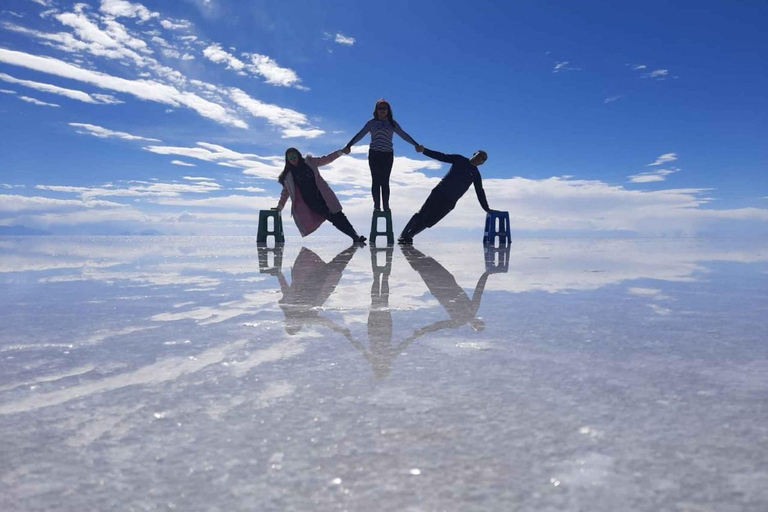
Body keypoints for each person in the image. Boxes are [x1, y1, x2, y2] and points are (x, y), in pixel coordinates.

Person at [398, 147, 494, 244]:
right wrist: (424, 151)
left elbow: (480, 192)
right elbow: (441, 156)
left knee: (430, 221)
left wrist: (486, 208)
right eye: (479, 155)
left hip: (450, 201)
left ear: (482, 163)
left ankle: (410, 236)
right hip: (439, 193)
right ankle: (403, 235)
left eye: (482, 158)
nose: (479, 158)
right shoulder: (459, 159)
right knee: (422, 214)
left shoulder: (476, 175)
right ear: (474, 154)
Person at [343, 99, 421, 212]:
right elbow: (360, 134)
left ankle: (386, 206)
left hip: (387, 154)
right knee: (376, 180)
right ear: (376, 110)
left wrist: (416, 144)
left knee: (385, 181)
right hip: (374, 154)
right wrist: (349, 145)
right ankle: (377, 206)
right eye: (380, 108)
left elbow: (403, 135)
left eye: (385, 108)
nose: (382, 110)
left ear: (388, 110)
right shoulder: (371, 123)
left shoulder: (392, 123)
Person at [276, 147, 366, 243]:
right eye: (290, 158)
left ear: (298, 155)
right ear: (287, 160)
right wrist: (279, 207)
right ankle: (354, 236)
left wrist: (341, 152)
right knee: (333, 218)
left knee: (339, 215)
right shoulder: (288, 176)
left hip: (324, 195)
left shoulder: (310, 162)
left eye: (294, 156)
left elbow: (326, 159)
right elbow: (285, 193)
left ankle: (355, 235)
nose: (293, 159)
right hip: (313, 202)